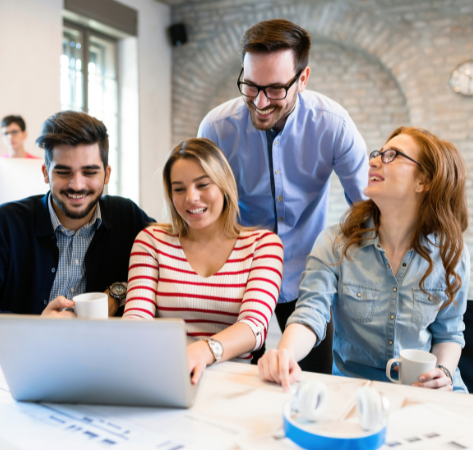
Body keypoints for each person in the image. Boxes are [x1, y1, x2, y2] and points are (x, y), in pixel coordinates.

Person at [198, 19, 368, 371]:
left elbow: (366, 207)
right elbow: (202, 210)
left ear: (302, 79)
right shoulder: (216, 127)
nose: (259, 102)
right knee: (227, 372)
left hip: (307, 274)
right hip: (238, 273)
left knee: (316, 376)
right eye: (250, 85)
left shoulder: (333, 125)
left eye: (275, 89)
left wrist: (351, 273)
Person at [258, 126, 469, 393]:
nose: (373, 161)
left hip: (430, 391)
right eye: (378, 153)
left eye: (393, 155)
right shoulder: (335, 243)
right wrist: (285, 354)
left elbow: (449, 333)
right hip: (357, 389)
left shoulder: (452, 252)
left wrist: (444, 374)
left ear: (423, 181)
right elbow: (310, 314)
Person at [0, 111, 153, 346]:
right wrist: (36, 330)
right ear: (45, 173)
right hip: (20, 368)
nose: (77, 185)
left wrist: (118, 291)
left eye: (90, 172)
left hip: (103, 364)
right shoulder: (4, 223)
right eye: (63, 172)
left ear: (107, 174)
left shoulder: (127, 216)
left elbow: (176, 257)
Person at [123, 138, 284, 384]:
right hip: (166, 374)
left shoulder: (263, 245)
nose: (191, 198)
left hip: (234, 380)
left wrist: (204, 350)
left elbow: (254, 326)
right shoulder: (151, 240)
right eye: (179, 189)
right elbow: (137, 316)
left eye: (203, 185)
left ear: (224, 185)